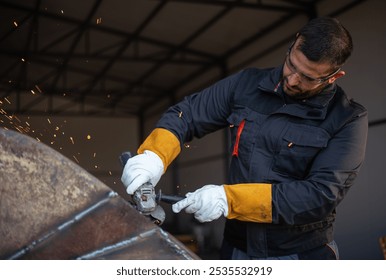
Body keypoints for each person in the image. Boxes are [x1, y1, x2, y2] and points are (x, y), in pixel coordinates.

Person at [121, 17, 368, 260]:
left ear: (334, 76)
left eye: (308, 78)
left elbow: (319, 195)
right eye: (292, 65)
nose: (292, 80)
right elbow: (187, 115)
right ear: (293, 45)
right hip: (237, 249)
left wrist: (229, 200)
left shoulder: (347, 119)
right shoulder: (246, 85)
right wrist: (154, 156)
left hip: (300, 254)